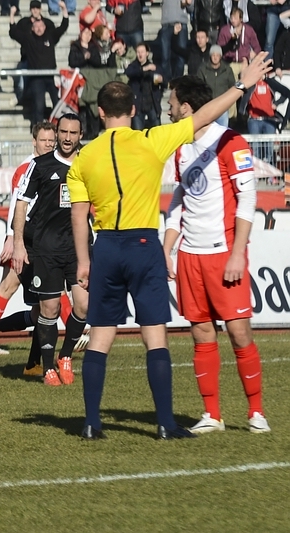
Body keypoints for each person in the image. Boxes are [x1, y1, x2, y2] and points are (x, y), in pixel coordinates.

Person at [66, 53, 273, 440]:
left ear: (99, 112)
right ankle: (165, 423)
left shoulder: (83, 157)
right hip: (144, 244)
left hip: (106, 246)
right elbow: (204, 115)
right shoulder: (152, 140)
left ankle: (92, 423)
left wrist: (83, 261)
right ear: (133, 109)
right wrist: (241, 85)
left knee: (100, 337)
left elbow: (79, 216)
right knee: (155, 336)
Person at [163, 75, 270, 434]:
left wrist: (238, 253)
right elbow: (180, 198)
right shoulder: (180, 148)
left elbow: (248, 198)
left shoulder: (230, 142)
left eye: (171, 103)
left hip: (224, 253)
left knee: (239, 333)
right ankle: (212, 415)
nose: (168, 109)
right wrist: (168, 244)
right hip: (190, 256)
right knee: (201, 334)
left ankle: (256, 412)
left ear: (186, 108)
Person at [9, 114, 88, 386]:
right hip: (46, 248)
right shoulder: (40, 166)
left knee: (84, 305)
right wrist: (18, 243)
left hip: (78, 248)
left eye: (73, 133)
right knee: (50, 308)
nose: (67, 138)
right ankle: (47, 368)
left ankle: (65, 356)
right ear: (57, 133)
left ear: (80, 135)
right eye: (63, 132)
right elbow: (21, 203)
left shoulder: (88, 162)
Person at [0, 122, 56, 357]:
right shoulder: (27, 168)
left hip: (38, 239)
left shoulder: (51, 164)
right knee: (13, 286)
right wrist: (12, 238)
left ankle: (31, 357)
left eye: (51, 141)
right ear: (34, 141)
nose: (48, 144)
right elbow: (17, 203)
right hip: (23, 240)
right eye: (44, 140)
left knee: (37, 299)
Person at [11, 1, 69, 127]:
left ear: (45, 27)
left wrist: (64, 9)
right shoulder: (28, 39)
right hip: (36, 78)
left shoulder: (51, 36)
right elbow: (13, 33)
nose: (39, 29)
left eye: (41, 26)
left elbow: (63, 27)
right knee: (39, 105)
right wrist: (11, 15)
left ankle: (60, 128)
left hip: (51, 76)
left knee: (57, 104)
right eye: (36, 27)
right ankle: (37, 129)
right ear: (32, 28)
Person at [125, 42, 165, 130]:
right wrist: (145, 69)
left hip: (151, 102)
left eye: (142, 52)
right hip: (138, 103)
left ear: (147, 53)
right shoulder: (133, 66)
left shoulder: (154, 67)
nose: (140, 54)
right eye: (138, 52)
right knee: (138, 132)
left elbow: (164, 82)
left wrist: (161, 80)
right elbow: (129, 72)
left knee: (157, 130)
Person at [198, 45, 236, 126]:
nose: (215, 57)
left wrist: (227, 101)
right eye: (213, 55)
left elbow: (232, 86)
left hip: (222, 108)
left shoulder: (227, 70)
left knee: (222, 131)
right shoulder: (203, 69)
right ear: (210, 56)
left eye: (217, 55)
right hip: (207, 107)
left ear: (220, 56)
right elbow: (198, 86)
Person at [157, 0, 190, 82]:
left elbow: (191, 8)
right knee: (165, 56)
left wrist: (188, 3)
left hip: (181, 23)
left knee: (181, 57)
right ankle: (167, 81)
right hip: (166, 24)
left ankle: (178, 81)